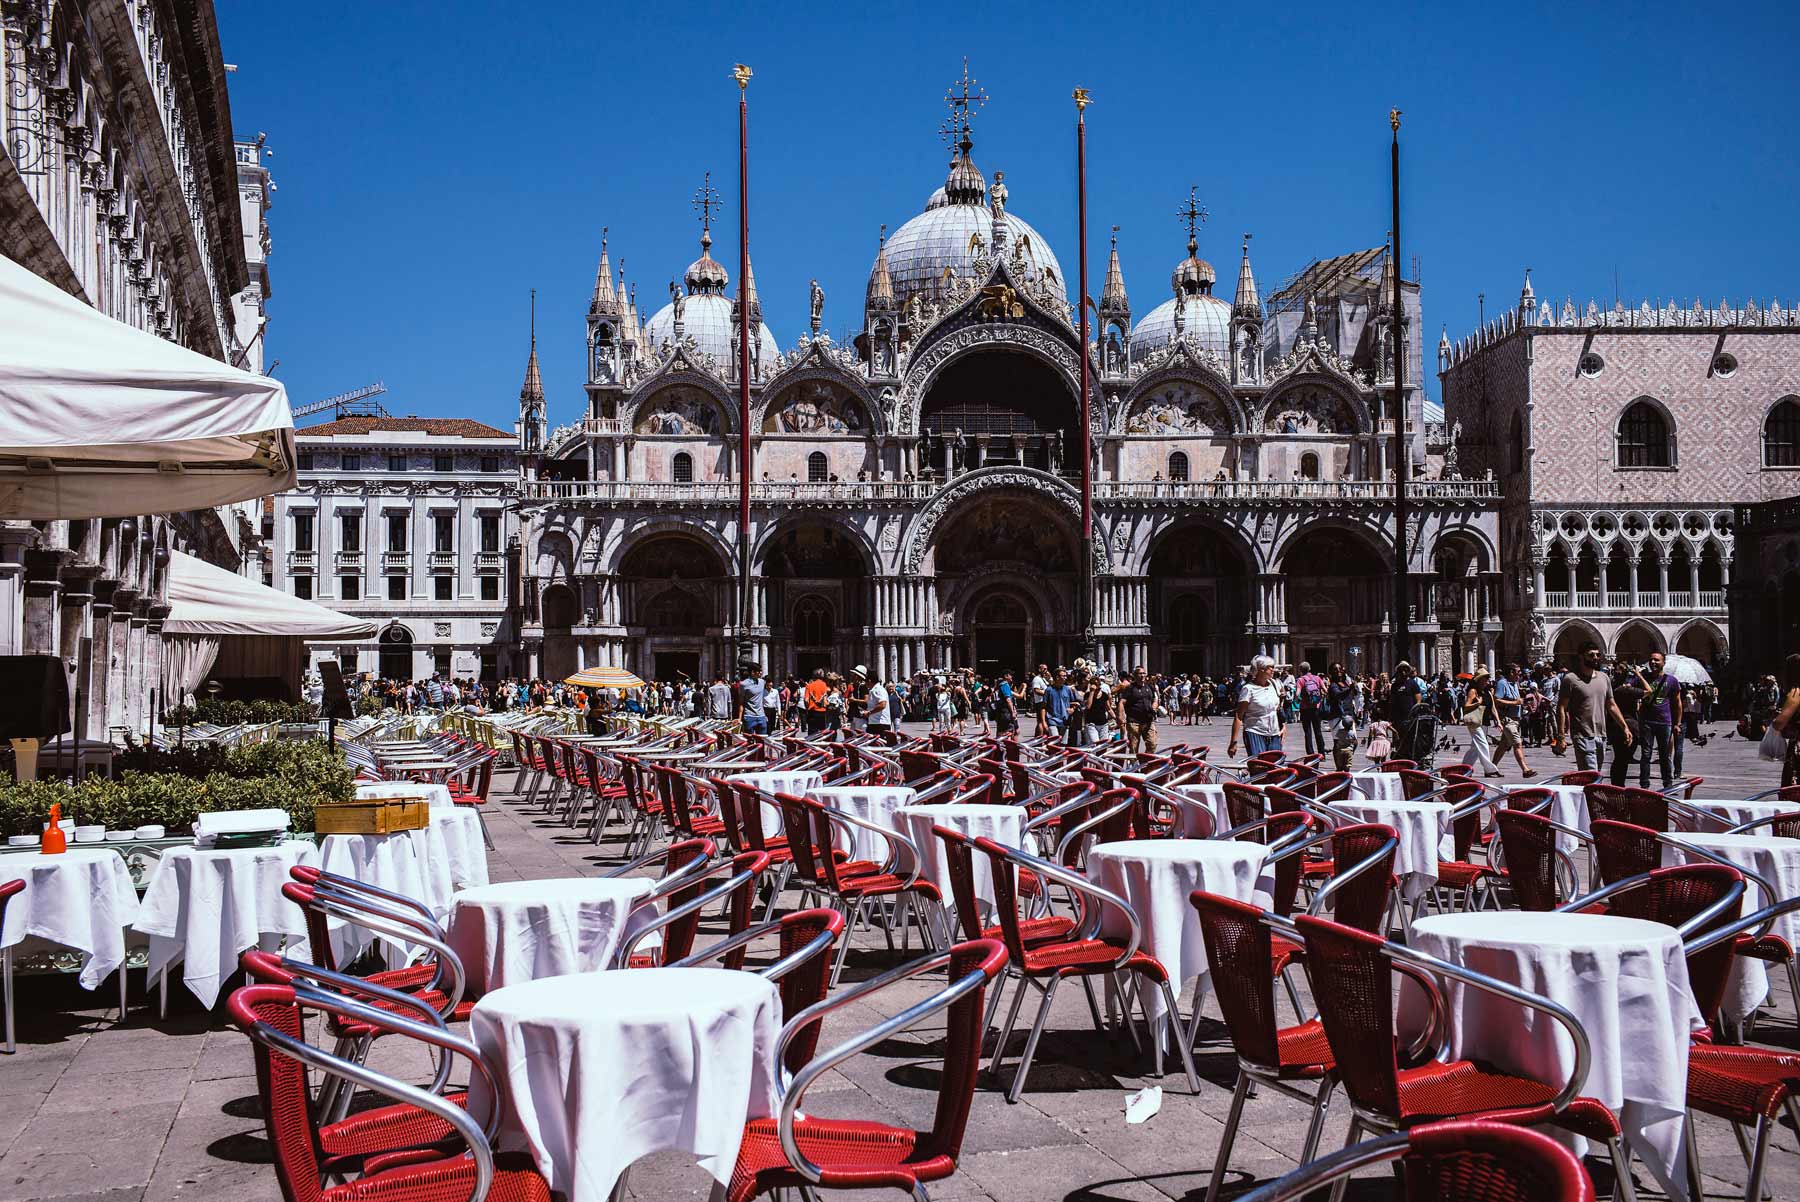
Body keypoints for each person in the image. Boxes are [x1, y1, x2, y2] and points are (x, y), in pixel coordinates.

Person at [1555, 645, 1631, 774]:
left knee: (1594, 775)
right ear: (1581, 656)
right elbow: (1561, 708)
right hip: (1582, 735)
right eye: (1591, 655)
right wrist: (1561, 737)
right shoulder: (1571, 679)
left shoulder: (1604, 678)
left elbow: (1611, 705)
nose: (1595, 657)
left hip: (1601, 735)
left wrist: (1625, 727)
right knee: (1592, 775)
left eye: (1598, 655)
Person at [1633, 651, 1681, 789]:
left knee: (1665, 755)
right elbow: (1629, 689)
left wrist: (1677, 723)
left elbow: (1677, 703)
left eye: (1656, 660)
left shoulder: (1671, 681)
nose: (1653, 662)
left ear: (1663, 663)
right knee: (1646, 754)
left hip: (1664, 722)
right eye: (1651, 660)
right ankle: (1644, 785)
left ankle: (1667, 784)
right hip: (1646, 722)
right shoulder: (1642, 678)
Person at [1229, 655, 1284, 760]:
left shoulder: (1274, 684)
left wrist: (1283, 725)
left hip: (1274, 733)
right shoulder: (1248, 689)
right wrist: (1233, 742)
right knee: (1259, 765)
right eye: (1271, 667)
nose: (1273, 670)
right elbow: (1239, 716)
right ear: (1261, 669)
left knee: (1275, 765)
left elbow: (1277, 709)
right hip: (1254, 732)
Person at [1492, 662, 1535, 777]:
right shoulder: (1502, 683)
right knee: (1517, 743)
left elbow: (1516, 699)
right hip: (1507, 719)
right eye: (1518, 672)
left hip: (1516, 719)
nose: (1520, 675)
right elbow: (1496, 700)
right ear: (1511, 672)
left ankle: (1491, 768)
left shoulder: (1515, 683)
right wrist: (1515, 703)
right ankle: (1525, 770)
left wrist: (1523, 703)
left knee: (1503, 746)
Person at [1459, 667, 1503, 778]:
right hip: (1475, 722)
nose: (1488, 680)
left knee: (1475, 748)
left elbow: (1493, 708)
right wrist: (1477, 703)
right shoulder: (1473, 691)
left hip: (1484, 722)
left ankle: (1464, 769)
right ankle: (1490, 770)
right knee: (1483, 744)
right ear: (1480, 680)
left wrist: (1498, 721)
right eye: (1485, 678)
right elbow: (1466, 706)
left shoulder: (1488, 692)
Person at [1116, 665, 1161, 754]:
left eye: (1144, 673)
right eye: (1140, 673)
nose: (1142, 675)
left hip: (1148, 720)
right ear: (1135, 675)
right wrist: (1121, 716)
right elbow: (1122, 702)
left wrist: (1154, 706)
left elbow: (1155, 699)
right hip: (1134, 721)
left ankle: (1145, 760)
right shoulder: (1130, 688)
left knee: (1152, 744)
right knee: (1134, 747)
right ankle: (1134, 762)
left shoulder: (1149, 687)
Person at [1771, 654, 1800, 787]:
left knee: (1793, 788)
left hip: (1798, 747)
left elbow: (1779, 724)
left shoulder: (1796, 693)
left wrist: (1777, 717)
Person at [1295, 661, 1326, 756]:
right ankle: (1322, 753)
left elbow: (1297, 693)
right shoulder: (1317, 678)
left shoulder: (1300, 680)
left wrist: (1298, 700)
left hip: (1305, 709)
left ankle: (1311, 754)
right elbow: (1325, 690)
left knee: (1308, 732)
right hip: (1316, 708)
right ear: (1310, 669)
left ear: (1300, 670)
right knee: (1318, 731)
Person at [1042, 668, 1077, 742]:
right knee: (1055, 742)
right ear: (1057, 677)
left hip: (1065, 721)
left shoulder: (1067, 689)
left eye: (1065, 676)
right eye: (1063, 676)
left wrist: (1072, 709)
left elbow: (1074, 703)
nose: (1065, 678)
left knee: (1063, 744)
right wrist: (1044, 722)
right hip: (1052, 720)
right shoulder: (1049, 690)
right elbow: (1043, 707)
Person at [738, 663, 768, 735]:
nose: (761, 673)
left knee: (762, 739)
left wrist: (765, 715)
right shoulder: (743, 684)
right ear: (752, 672)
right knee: (749, 740)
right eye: (759, 671)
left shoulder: (762, 682)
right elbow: (741, 702)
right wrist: (739, 718)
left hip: (761, 716)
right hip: (749, 716)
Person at [802, 669, 831, 735]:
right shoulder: (824, 685)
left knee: (812, 733)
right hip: (822, 712)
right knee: (822, 732)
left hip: (812, 711)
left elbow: (806, 700)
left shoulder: (809, 686)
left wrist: (807, 708)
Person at [992, 671, 1019, 735]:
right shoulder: (1005, 685)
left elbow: (1018, 695)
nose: (1011, 676)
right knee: (1007, 732)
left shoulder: (1002, 685)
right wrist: (1012, 712)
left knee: (1003, 731)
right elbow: (1008, 700)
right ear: (1006, 676)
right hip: (1005, 711)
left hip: (1002, 711)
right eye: (1010, 675)